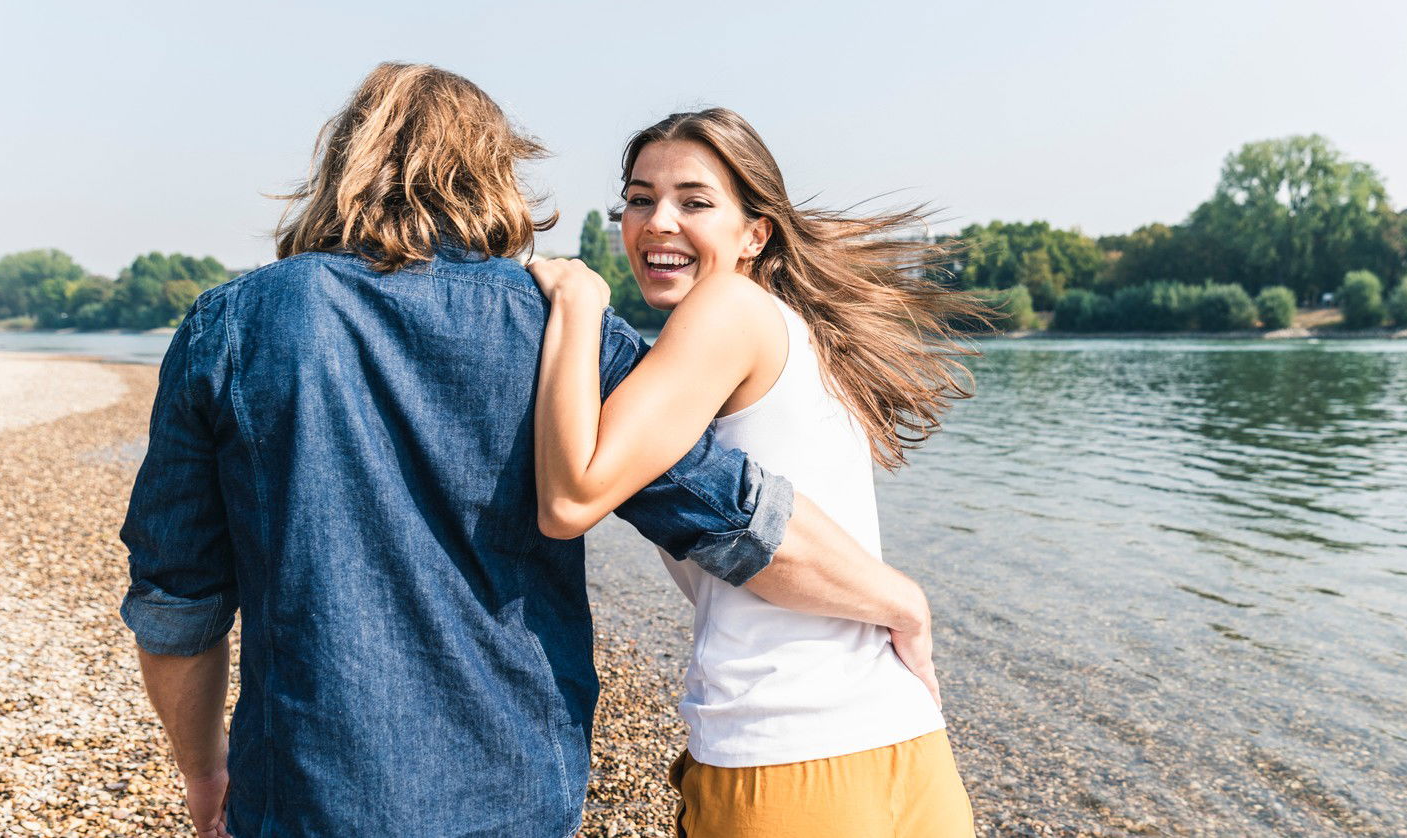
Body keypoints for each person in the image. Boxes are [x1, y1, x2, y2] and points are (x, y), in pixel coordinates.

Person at [119, 64, 935, 838]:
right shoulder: (555, 324)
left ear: (342, 166)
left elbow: (177, 598)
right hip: (516, 783)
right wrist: (896, 599)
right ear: (493, 172)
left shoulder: (232, 325)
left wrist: (205, 771)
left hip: (307, 782)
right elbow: (723, 510)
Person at [526, 107, 983, 838]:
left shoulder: (728, 307)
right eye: (640, 199)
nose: (657, 222)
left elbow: (570, 497)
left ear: (754, 233)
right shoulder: (790, 328)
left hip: (788, 760)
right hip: (904, 743)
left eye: (694, 201)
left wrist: (579, 306)